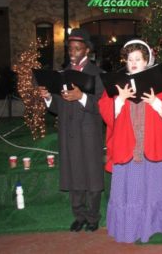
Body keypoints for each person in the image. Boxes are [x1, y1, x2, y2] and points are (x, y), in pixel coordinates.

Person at [98, 40, 162, 243]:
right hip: (127, 145)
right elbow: (105, 111)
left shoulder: (160, 83)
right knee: (129, 188)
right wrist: (120, 99)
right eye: (130, 59)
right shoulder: (116, 84)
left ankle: (151, 226)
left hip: (153, 144)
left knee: (152, 187)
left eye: (138, 59)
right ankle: (128, 227)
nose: (133, 63)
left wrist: (155, 102)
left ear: (146, 60)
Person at [38, 28, 105, 233]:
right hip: (69, 132)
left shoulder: (98, 74)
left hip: (90, 133)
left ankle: (93, 217)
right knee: (74, 175)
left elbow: (104, 108)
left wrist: (82, 97)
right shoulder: (62, 74)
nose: (73, 52)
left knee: (92, 177)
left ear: (87, 50)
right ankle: (79, 215)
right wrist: (48, 96)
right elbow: (57, 107)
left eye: (78, 48)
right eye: (70, 48)